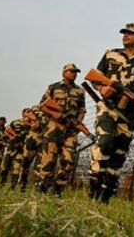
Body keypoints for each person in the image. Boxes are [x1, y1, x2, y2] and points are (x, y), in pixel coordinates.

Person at [88, 23, 134, 203]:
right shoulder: (111, 54)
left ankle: (106, 193)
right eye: (124, 33)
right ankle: (94, 183)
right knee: (105, 141)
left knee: (119, 151)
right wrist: (102, 88)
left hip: (129, 112)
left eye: (130, 33)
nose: (125, 35)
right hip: (108, 106)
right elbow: (94, 77)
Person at [35, 63, 86, 196]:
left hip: (70, 130)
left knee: (68, 161)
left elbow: (82, 110)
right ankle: (42, 189)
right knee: (48, 160)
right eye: (71, 71)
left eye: (75, 72)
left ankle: (57, 189)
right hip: (54, 128)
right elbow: (42, 105)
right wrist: (56, 115)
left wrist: (78, 123)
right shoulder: (53, 87)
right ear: (64, 73)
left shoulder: (80, 91)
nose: (74, 74)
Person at [19, 104, 47, 192]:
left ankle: (38, 185)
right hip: (31, 141)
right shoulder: (34, 110)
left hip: (42, 141)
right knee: (25, 164)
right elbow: (26, 121)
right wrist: (33, 122)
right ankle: (22, 184)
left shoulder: (47, 113)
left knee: (39, 165)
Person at [0, 108, 29, 189]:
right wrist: (10, 137)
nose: (28, 114)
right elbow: (6, 131)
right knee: (5, 166)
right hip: (11, 147)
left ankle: (13, 186)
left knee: (17, 168)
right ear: (22, 113)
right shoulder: (16, 122)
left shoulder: (30, 125)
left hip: (21, 149)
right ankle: (2, 183)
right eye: (27, 112)